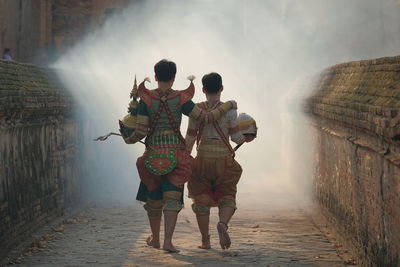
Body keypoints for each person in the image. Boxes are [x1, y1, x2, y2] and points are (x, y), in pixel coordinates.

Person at [123, 60, 237, 252]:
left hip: (152, 155)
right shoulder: (182, 99)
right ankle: (168, 241)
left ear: (156, 77)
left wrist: (129, 138)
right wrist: (228, 105)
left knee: (154, 198)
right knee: (172, 198)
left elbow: (141, 132)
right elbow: (207, 117)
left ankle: (155, 239)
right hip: (176, 154)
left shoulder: (147, 99)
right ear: (174, 77)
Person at [185, 72, 251, 250]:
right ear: (221, 88)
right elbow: (236, 137)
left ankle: (205, 241)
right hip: (224, 159)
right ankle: (222, 223)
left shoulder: (195, 109)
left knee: (201, 199)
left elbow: (190, 137)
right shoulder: (230, 110)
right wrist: (246, 136)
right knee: (227, 194)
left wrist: (185, 156)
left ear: (203, 90)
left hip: (203, 157)